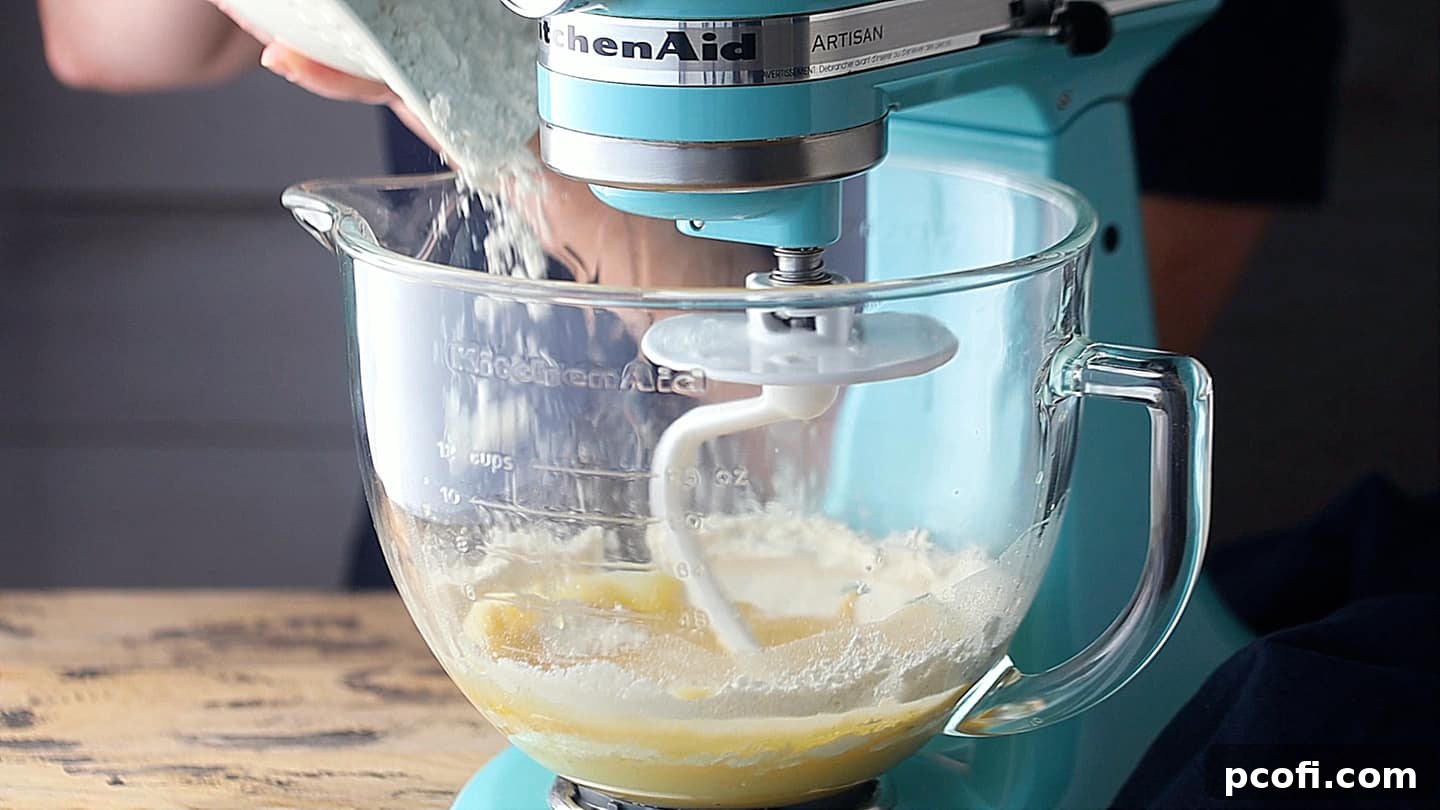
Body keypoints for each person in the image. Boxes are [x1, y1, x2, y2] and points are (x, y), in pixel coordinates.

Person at [45, 7, 1437, 808]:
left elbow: (987, 433)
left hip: (921, 597)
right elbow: (113, 39)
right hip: (457, 614)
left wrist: (615, 228)